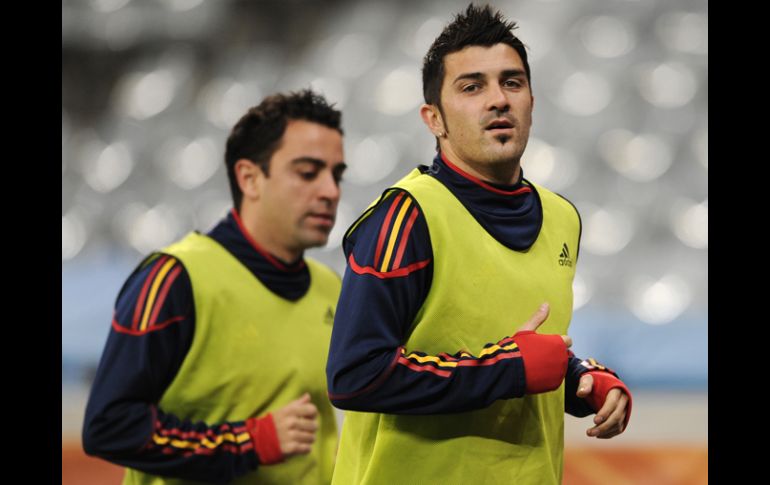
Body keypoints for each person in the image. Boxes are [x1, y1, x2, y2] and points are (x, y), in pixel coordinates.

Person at [326, 5, 632, 484]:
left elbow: (517, 346)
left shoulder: (562, 218)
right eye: (472, 87)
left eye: (512, 83)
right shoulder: (406, 218)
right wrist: (508, 370)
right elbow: (354, 375)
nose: (498, 100)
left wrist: (581, 379)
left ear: (533, 101)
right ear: (434, 119)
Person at [82, 90, 347, 484]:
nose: (330, 191)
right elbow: (108, 427)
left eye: (336, 174)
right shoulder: (174, 278)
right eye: (308, 172)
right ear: (249, 178)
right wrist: (248, 442)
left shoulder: (332, 287)